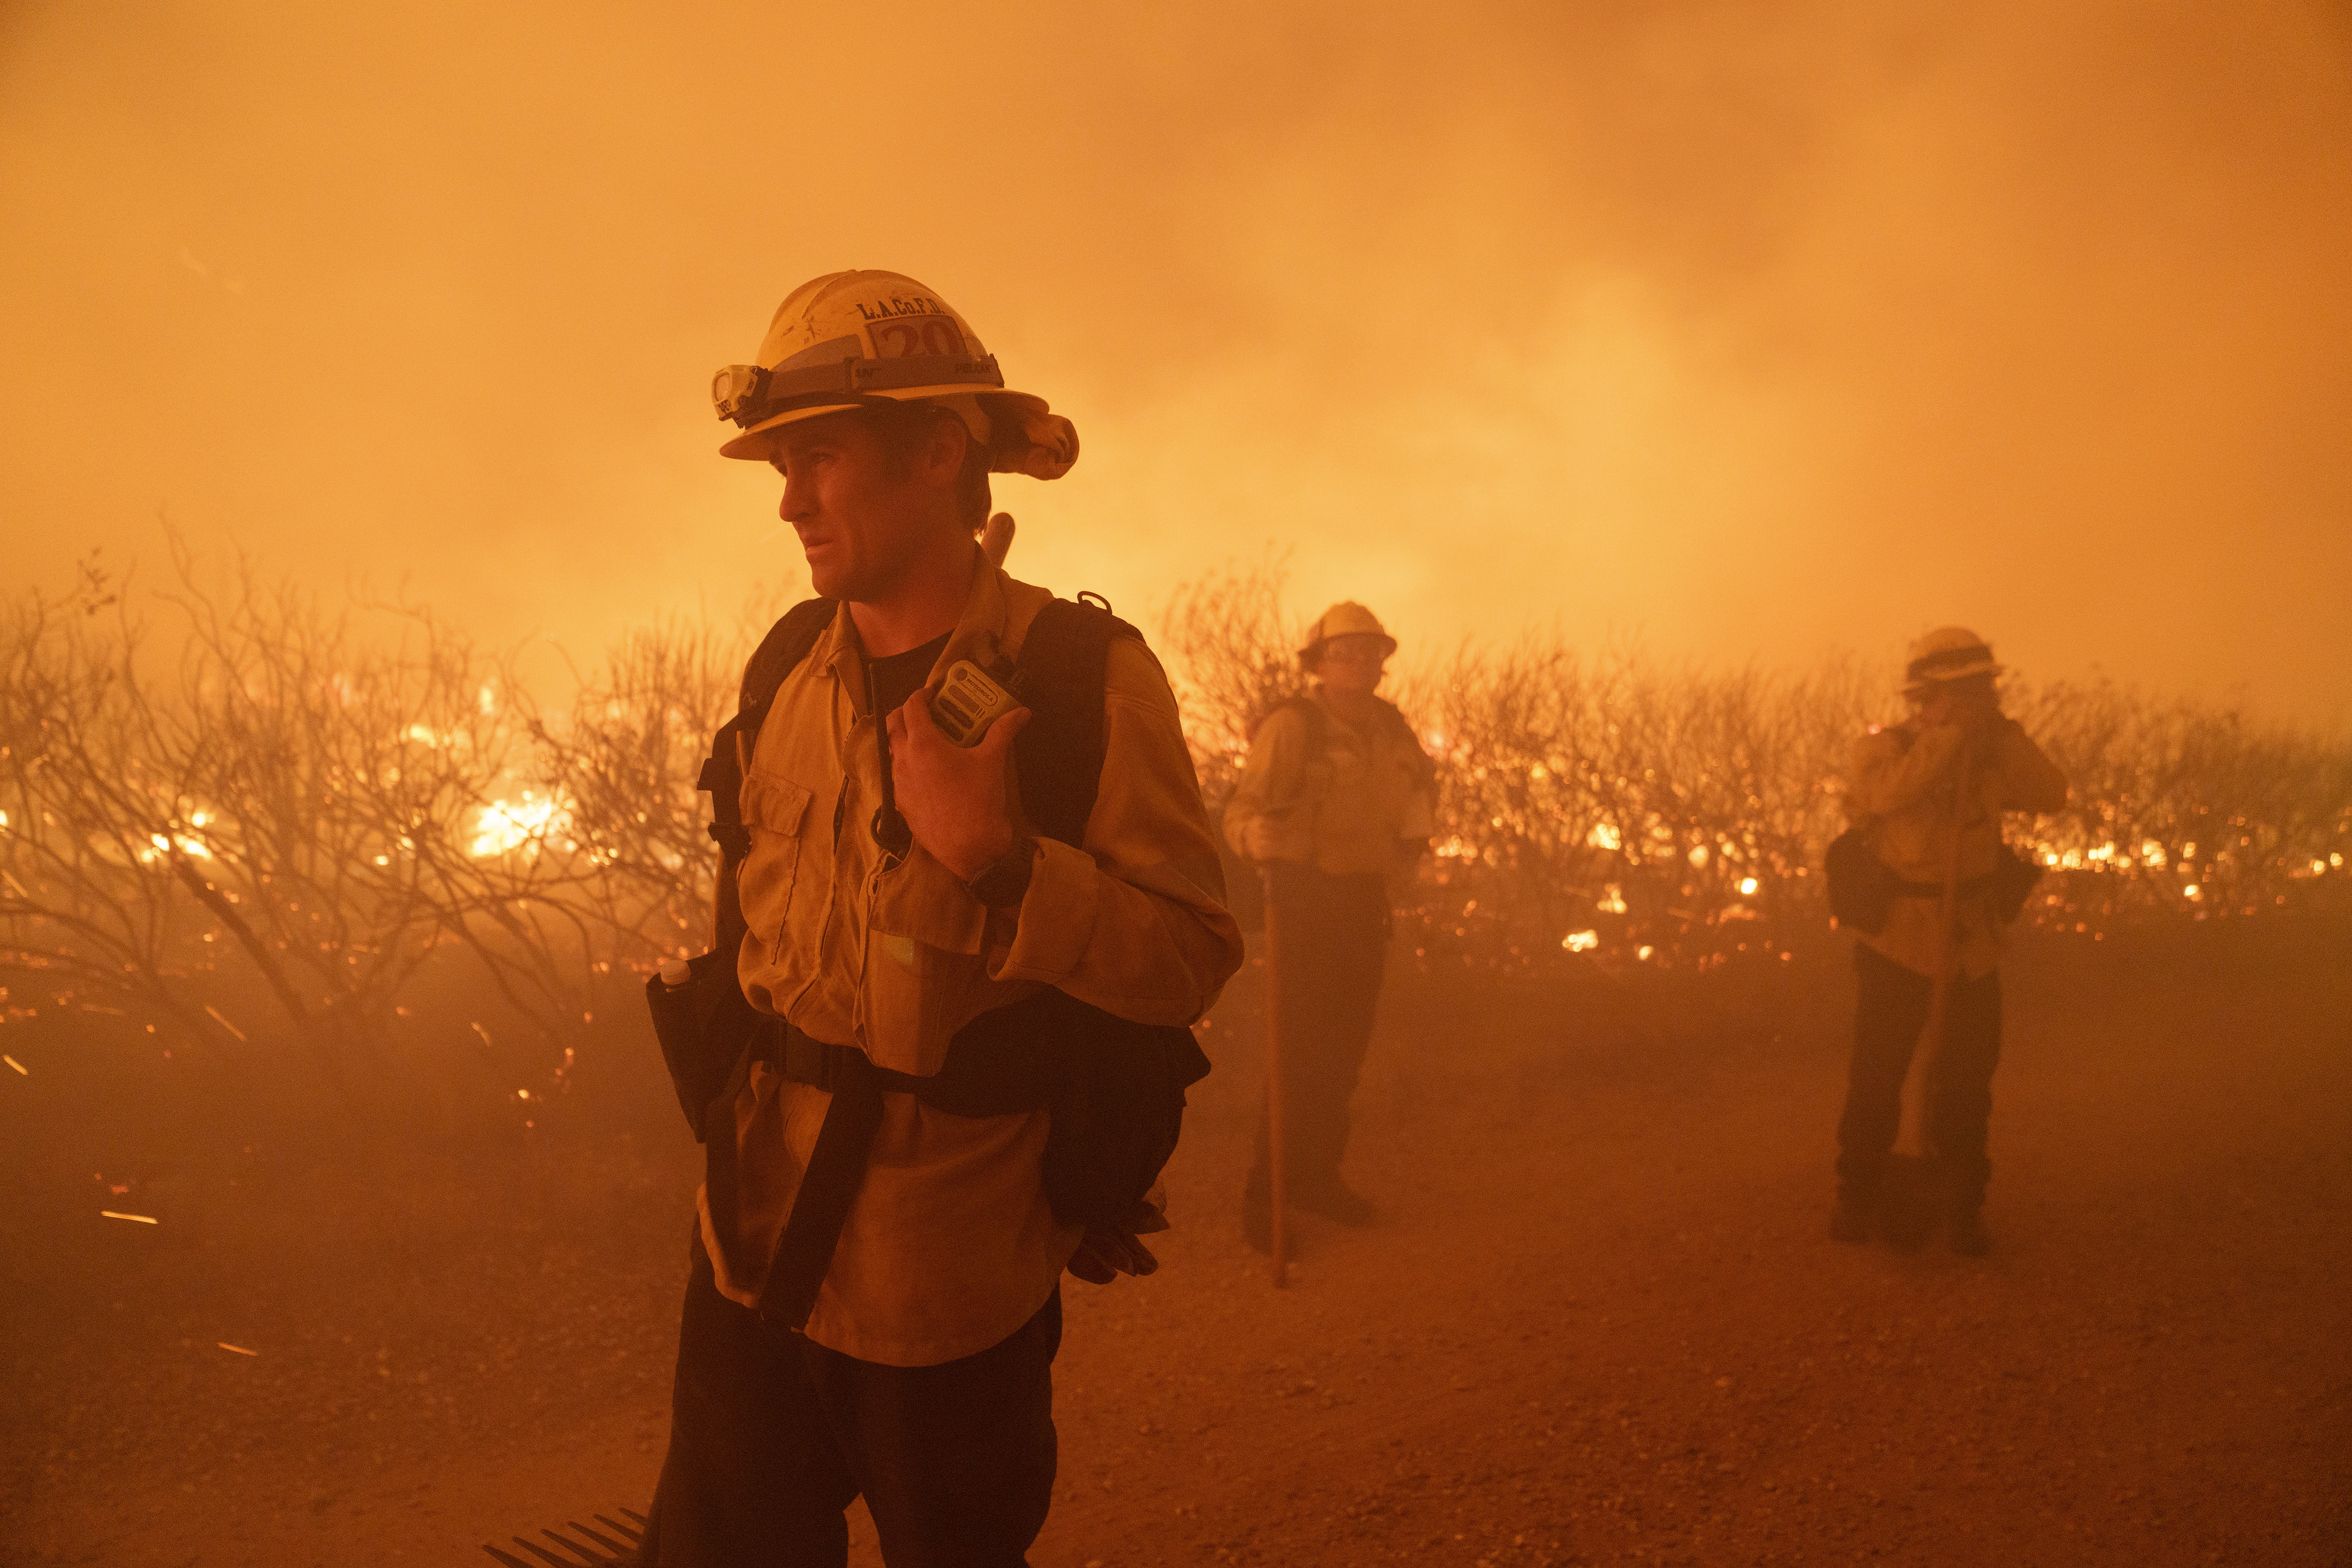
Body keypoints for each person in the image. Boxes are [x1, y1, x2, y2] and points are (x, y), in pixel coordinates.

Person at [642, 270, 1242, 1567]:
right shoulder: (784, 668)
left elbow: (1192, 947)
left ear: (935, 452)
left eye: (819, 458)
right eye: (779, 469)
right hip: (748, 1240)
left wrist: (1004, 862)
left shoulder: (1083, 678)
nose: (791, 499)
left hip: (944, 1274)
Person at [1831, 625, 2068, 1255]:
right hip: (1898, 943)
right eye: (1961, 693)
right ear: (1926, 697)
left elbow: (2052, 794)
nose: (1976, 702)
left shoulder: (1993, 752)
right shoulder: (1883, 750)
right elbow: (1886, 795)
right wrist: (1947, 740)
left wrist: (2001, 739)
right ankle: (1858, 1192)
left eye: (1982, 691)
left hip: (1972, 946)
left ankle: (1963, 1206)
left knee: (1968, 1082)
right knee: (1878, 1076)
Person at [1221, 602, 1436, 1249]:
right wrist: (1253, 835)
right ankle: (1268, 1198)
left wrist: (1412, 851)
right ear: (1319, 664)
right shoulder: (1293, 727)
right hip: (1303, 902)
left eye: (1372, 652)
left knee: (1343, 1055)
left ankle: (1317, 1178)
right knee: (1298, 1054)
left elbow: (1420, 796)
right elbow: (1243, 811)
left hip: (1363, 905)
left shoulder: (1393, 730)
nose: (1362, 663)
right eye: (1347, 652)